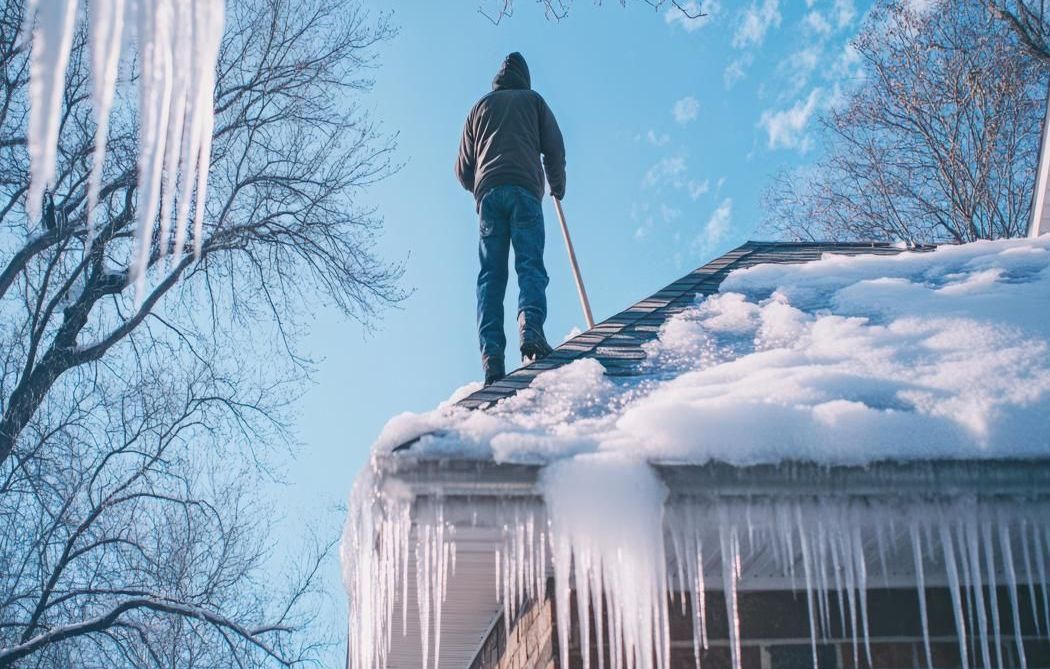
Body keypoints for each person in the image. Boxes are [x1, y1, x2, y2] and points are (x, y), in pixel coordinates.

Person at [455, 52, 567, 386]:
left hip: (490, 196)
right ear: (525, 78)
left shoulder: (480, 107)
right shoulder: (534, 101)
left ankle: (491, 356)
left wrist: (482, 184)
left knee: (491, 277)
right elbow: (555, 149)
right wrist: (557, 187)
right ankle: (530, 325)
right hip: (524, 192)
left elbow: (462, 169)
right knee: (530, 264)